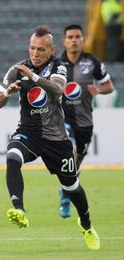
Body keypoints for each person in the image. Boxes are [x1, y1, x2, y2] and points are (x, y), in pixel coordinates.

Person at [0, 25, 100, 250]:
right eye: (32, 48)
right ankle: (19, 209)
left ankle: (87, 225)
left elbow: (58, 90)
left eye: (41, 49)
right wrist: (8, 92)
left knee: (71, 187)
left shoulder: (58, 66)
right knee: (12, 156)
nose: (35, 53)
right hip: (29, 133)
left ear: (51, 50)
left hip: (56, 139)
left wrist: (31, 76)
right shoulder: (17, 69)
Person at [58, 24, 115, 218]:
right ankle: (66, 199)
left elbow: (109, 85)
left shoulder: (93, 62)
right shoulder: (56, 64)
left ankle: (64, 192)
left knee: (76, 163)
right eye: (70, 37)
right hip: (63, 120)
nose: (74, 40)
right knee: (70, 151)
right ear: (64, 41)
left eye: (77, 37)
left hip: (85, 122)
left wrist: (98, 90)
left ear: (83, 40)